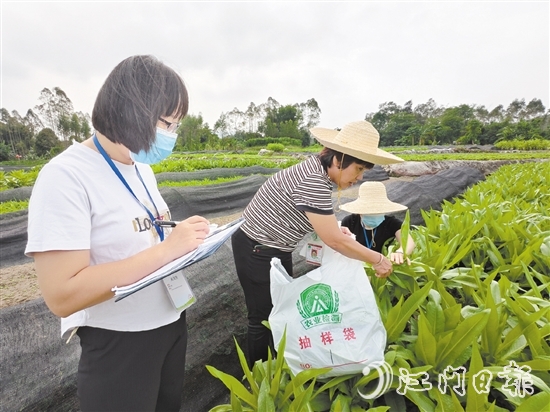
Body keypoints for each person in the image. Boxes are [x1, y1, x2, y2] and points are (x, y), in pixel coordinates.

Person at [24, 55, 211, 412]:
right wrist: (166, 250)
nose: (170, 135)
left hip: (171, 323)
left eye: (176, 125)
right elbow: (62, 294)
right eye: (166, 123)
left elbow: (148, 235)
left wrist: (187, 243)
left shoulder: (140, 168)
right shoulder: (66, 176)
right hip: (119, 341)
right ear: (132, 110)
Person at [231, 120, 405, 367]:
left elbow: (320, 222)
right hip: (257, 250)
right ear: (339, 159)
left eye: (364, 171)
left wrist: (334, 227)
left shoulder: (317, 173)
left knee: (280, 309)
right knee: (263, 317)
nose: (359, 177)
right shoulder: (313, 181)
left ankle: (277, 365)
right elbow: (334, 240)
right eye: (358, 169)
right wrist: (378, 258)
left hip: (275, 249)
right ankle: (260, 376)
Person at [340, 181, 416, 264]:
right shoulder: (350, 222)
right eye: (369, 211)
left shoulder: (391, 223)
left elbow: (408, 242)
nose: (373, 214)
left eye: (377, 211)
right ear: (360, 211)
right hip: (356, 266)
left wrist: (400, 252)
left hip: (384, 266)